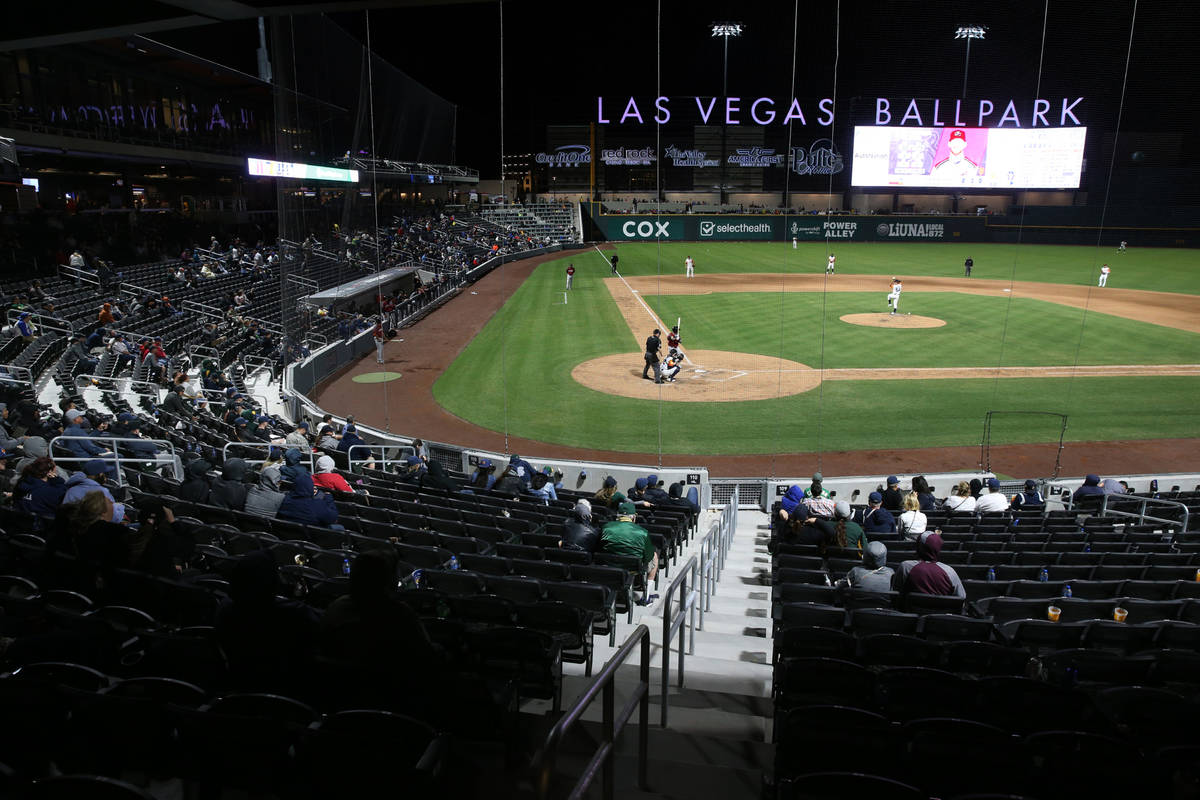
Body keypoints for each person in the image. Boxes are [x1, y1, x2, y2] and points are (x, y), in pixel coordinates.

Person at [215, 551, 320, 693]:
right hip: (290, 687)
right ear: (273, 583)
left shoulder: (224, 608)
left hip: (239, 684)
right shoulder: (295, 614)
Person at [600, 502, 658, 604]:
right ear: (634, 517)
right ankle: (647, 596)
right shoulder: (643, 532)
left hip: (609, 565)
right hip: (633, 569)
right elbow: (648, 557)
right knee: (655, 557)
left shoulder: (605, 527)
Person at [895, 533, 965, 599]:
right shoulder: (950, 572)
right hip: (941, 611)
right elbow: (961, 597)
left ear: (919, 547)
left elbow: (896, 592)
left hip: (908, 611)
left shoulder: (905, 566)